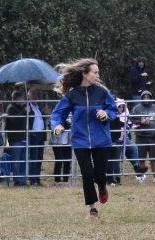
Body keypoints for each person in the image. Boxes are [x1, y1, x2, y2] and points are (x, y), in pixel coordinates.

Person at [50, 58, 119, 221]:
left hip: (101, 140)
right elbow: (57, 114)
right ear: (85, 74)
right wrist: (57, 126)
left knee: (100, 175)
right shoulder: (72, 95)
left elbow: (113, 109)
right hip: (80, 141)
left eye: (97, 72)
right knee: (87, 175)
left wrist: (106, 115)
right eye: (95, 72)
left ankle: (102, 186)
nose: (97, 75)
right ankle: (93, 209)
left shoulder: (102, 92)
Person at [130, 90, 155, 183]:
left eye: (148, 97)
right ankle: (141, 176)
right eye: (144, 97)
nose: (146, 99)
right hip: (141, 137)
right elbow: (131, 119)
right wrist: (141, 121)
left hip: (153, 137)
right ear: (141, 99)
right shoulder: (137, 108)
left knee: (154, 159)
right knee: (141, 158)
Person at [5, 91, 29, 186]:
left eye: (23, 98)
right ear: (15, 99)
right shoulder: (10, 108)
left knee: (24, 161)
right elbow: (14, 120)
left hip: (24, 137)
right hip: (15, 139)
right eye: (21, 99)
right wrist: (24, 111)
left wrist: (28, 112)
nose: (23, 100)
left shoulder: (23, 107)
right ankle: (17, 180)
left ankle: (23, 180)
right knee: (16, 161)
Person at [26, 88, 48, 186]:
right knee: (33, 158)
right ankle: (32, 179)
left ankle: (37, 179)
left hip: (41, 135)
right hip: (33, 135)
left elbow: (43, 119)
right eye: (33, 94)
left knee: (39, 158)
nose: (35, 97)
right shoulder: (27, 107)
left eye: (36, 95)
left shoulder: (39, 108)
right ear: (28, 96)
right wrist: (26, 111)